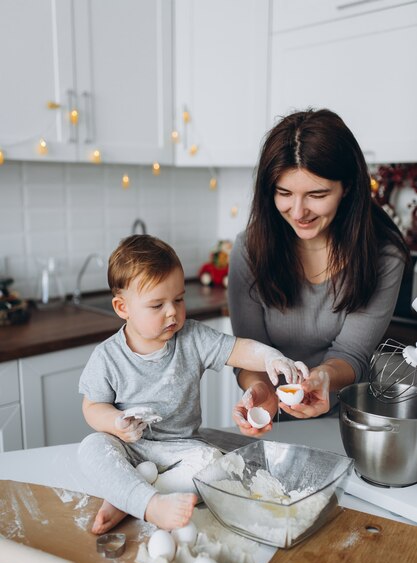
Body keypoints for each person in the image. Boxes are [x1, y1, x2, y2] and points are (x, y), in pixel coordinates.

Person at [77, 234, 308, 534]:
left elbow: (238, 350)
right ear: (123, 308)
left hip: (183, 448)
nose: (172, 312)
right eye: (157, 305)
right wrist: (116, 422)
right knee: (92, 447)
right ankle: (149, 502)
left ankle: (130, 497)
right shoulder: (107, 356)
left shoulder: (193, 338)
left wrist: (271, 358)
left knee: (214, 463)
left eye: (179, 299)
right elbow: (92, 407)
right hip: (129, 446)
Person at [228, 108, 410, 436]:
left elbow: (351, 354)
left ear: (349, 188)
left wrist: (323, 378)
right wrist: (262, 392)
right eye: (284, 194)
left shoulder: (383, 256)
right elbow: (248, 352)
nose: (298, 212)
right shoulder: (249, 249)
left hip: (349, 421)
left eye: (317, 195)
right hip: (272, 420)